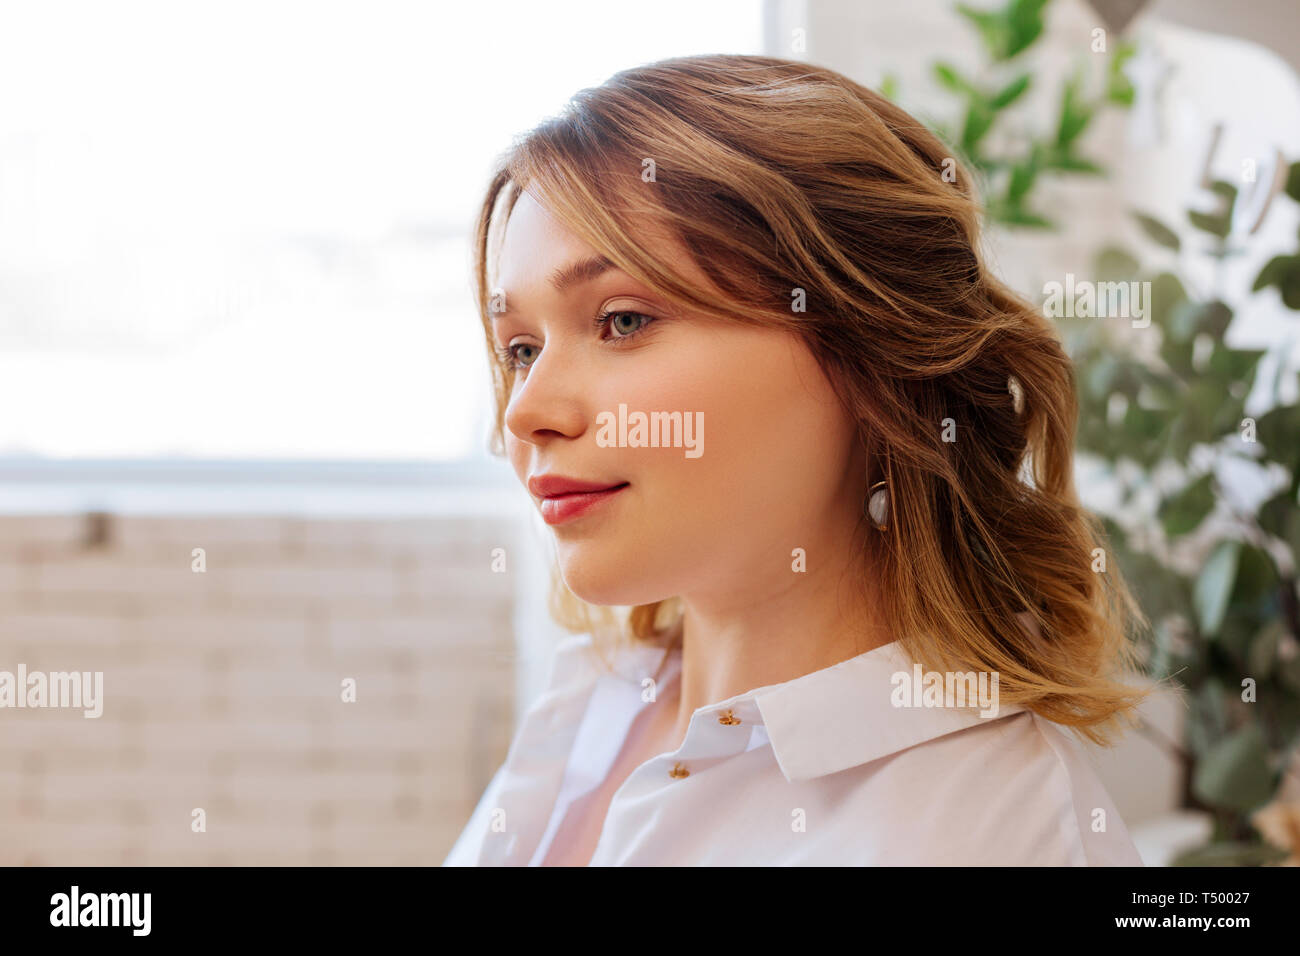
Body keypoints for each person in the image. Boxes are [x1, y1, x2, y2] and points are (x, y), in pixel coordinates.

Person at [444, 54, 1150, 866]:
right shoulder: (600, 696)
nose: (526, 411)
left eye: (624, 320)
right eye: (523, 348)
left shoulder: (995, 831)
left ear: (864, 354)